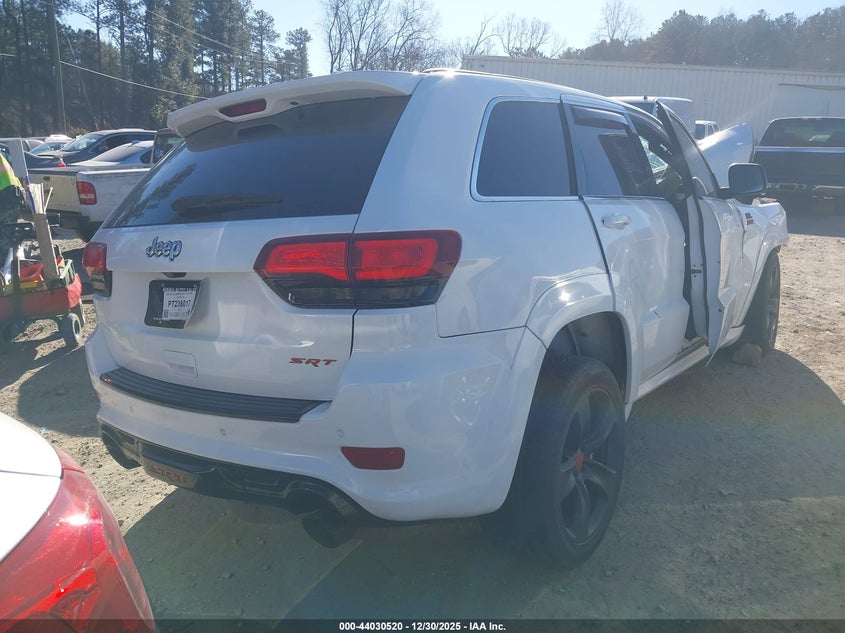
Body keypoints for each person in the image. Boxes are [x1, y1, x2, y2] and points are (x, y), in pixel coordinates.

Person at [1, 153, 27, 286]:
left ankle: (6, 280)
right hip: (10, 192)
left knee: (4, 237)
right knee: (7, 234)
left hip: (5, 193)